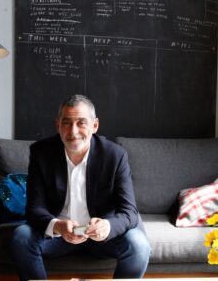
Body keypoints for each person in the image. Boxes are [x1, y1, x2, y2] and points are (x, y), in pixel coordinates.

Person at [11, 94, 150, 281]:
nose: (73, 131)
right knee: (21, 237)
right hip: (58, 236)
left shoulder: (115, 156)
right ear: (58, 125)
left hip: (102, 237)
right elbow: (34, 209)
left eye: (81, 123)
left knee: (139, 245)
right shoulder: (41, 153)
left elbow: (129, 212)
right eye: (67, 123)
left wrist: (107, 227)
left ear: (95, 126)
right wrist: (57, 226)